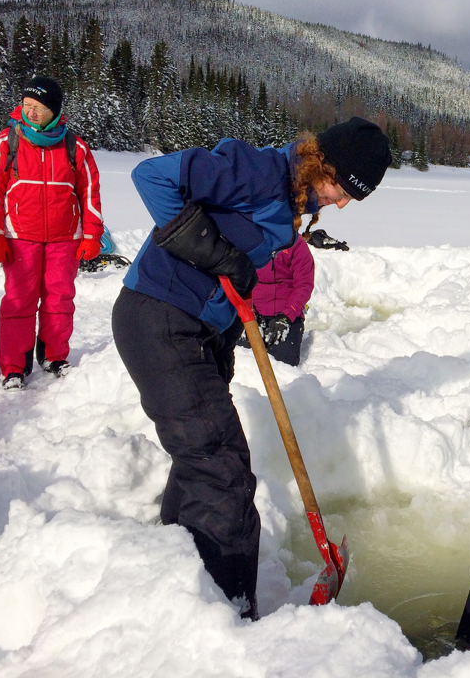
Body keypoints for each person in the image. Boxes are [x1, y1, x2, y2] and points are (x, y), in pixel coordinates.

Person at [111, 118, 391, 620]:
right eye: (340, 188)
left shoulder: (291, 204)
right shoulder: (259, 171)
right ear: (319, 162)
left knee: (204, 461)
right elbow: (151, 176)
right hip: (158, 318)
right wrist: (210, 250)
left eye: (355, 198)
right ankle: (229, 618)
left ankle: (180, 583)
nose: (343, 203)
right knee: (224, 475)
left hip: (200, 330)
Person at [0, 76, 103, 389]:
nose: (31, 112)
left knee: (59, 300)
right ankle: (14, 367)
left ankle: (54, 356)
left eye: (39, 107)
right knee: (19, 301)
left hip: (64, 238)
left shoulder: (76, 146)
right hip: (20, 237)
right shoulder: (7, 143)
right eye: (27, 105)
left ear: (54, 110)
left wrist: (91, 235)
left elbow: (89, 194)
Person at [240, 218, 315, 367]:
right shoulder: (250, 242)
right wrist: (249, 312)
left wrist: (286, 316)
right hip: (252, 313)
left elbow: (303, 286)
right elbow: (240, 280)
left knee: (283, 364)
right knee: (245, 360)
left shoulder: (297, 246)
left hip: (287, 315)